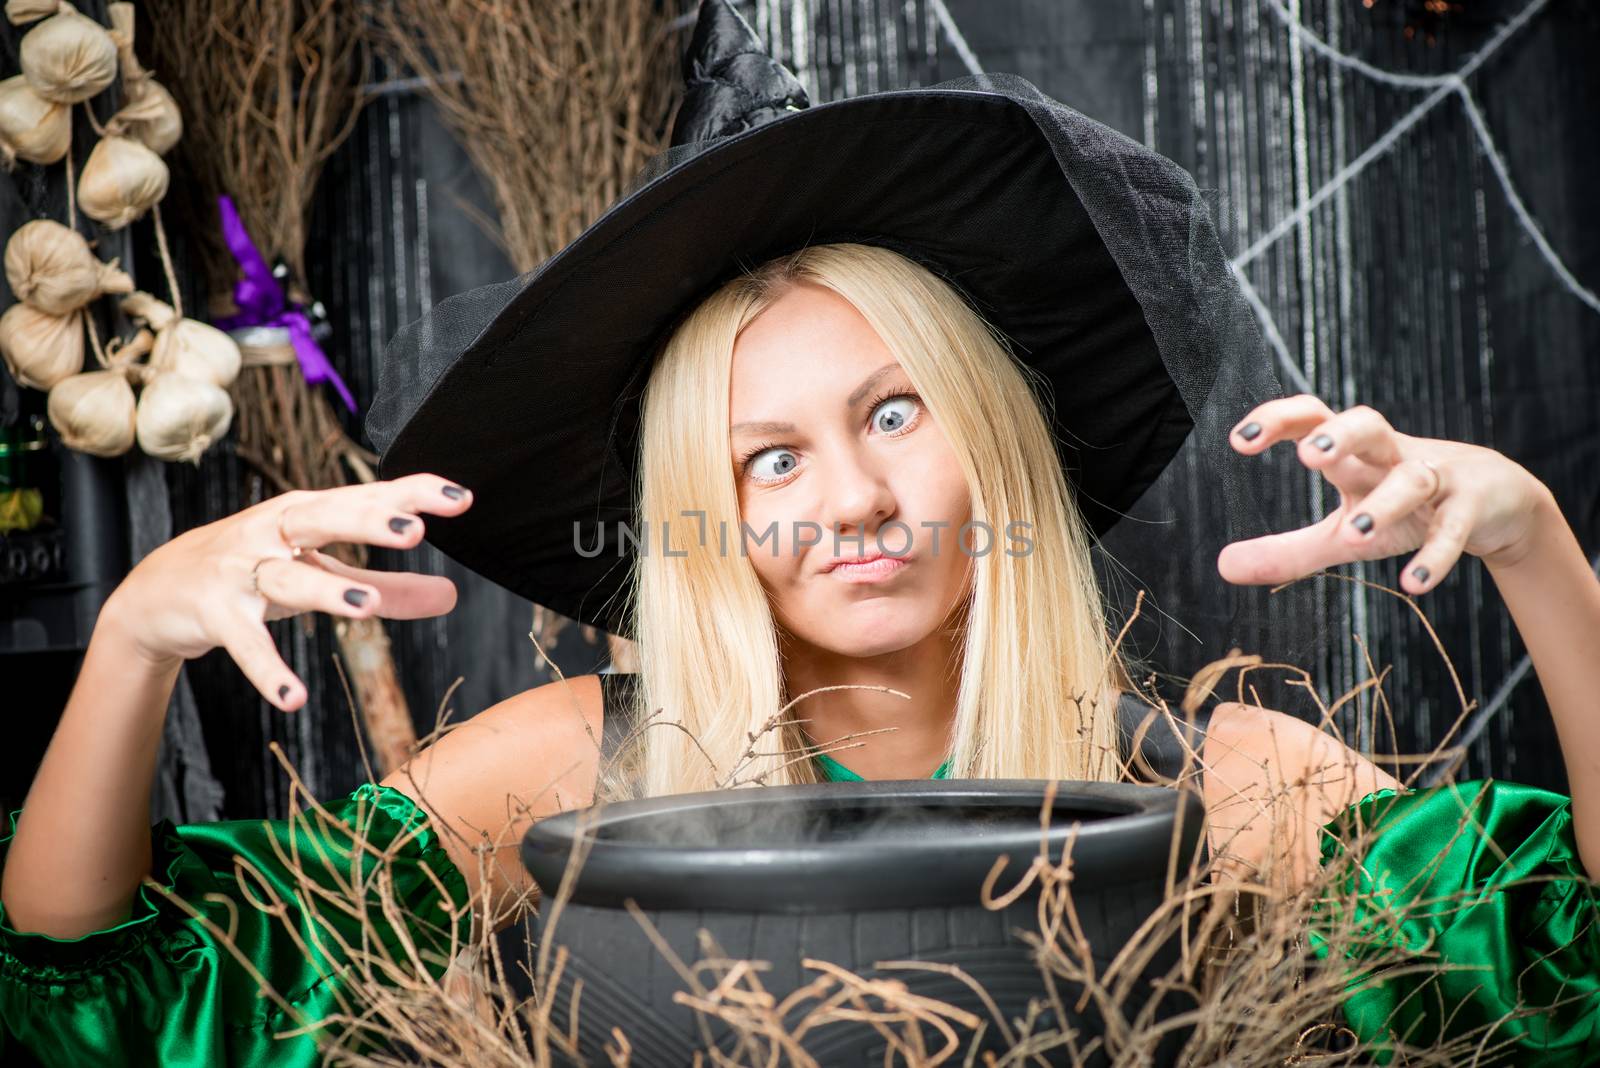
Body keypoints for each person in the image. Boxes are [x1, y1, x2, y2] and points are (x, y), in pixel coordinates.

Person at [4, 1, 1598, 1064]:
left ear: (998, 449)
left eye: (897, 415)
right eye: (765, 460)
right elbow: (109, 998)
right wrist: (139, 631)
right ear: (701, 514)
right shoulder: (577, 768)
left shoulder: (1220, 789)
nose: (845, 498)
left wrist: (1540, 553)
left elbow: (1578, 963)